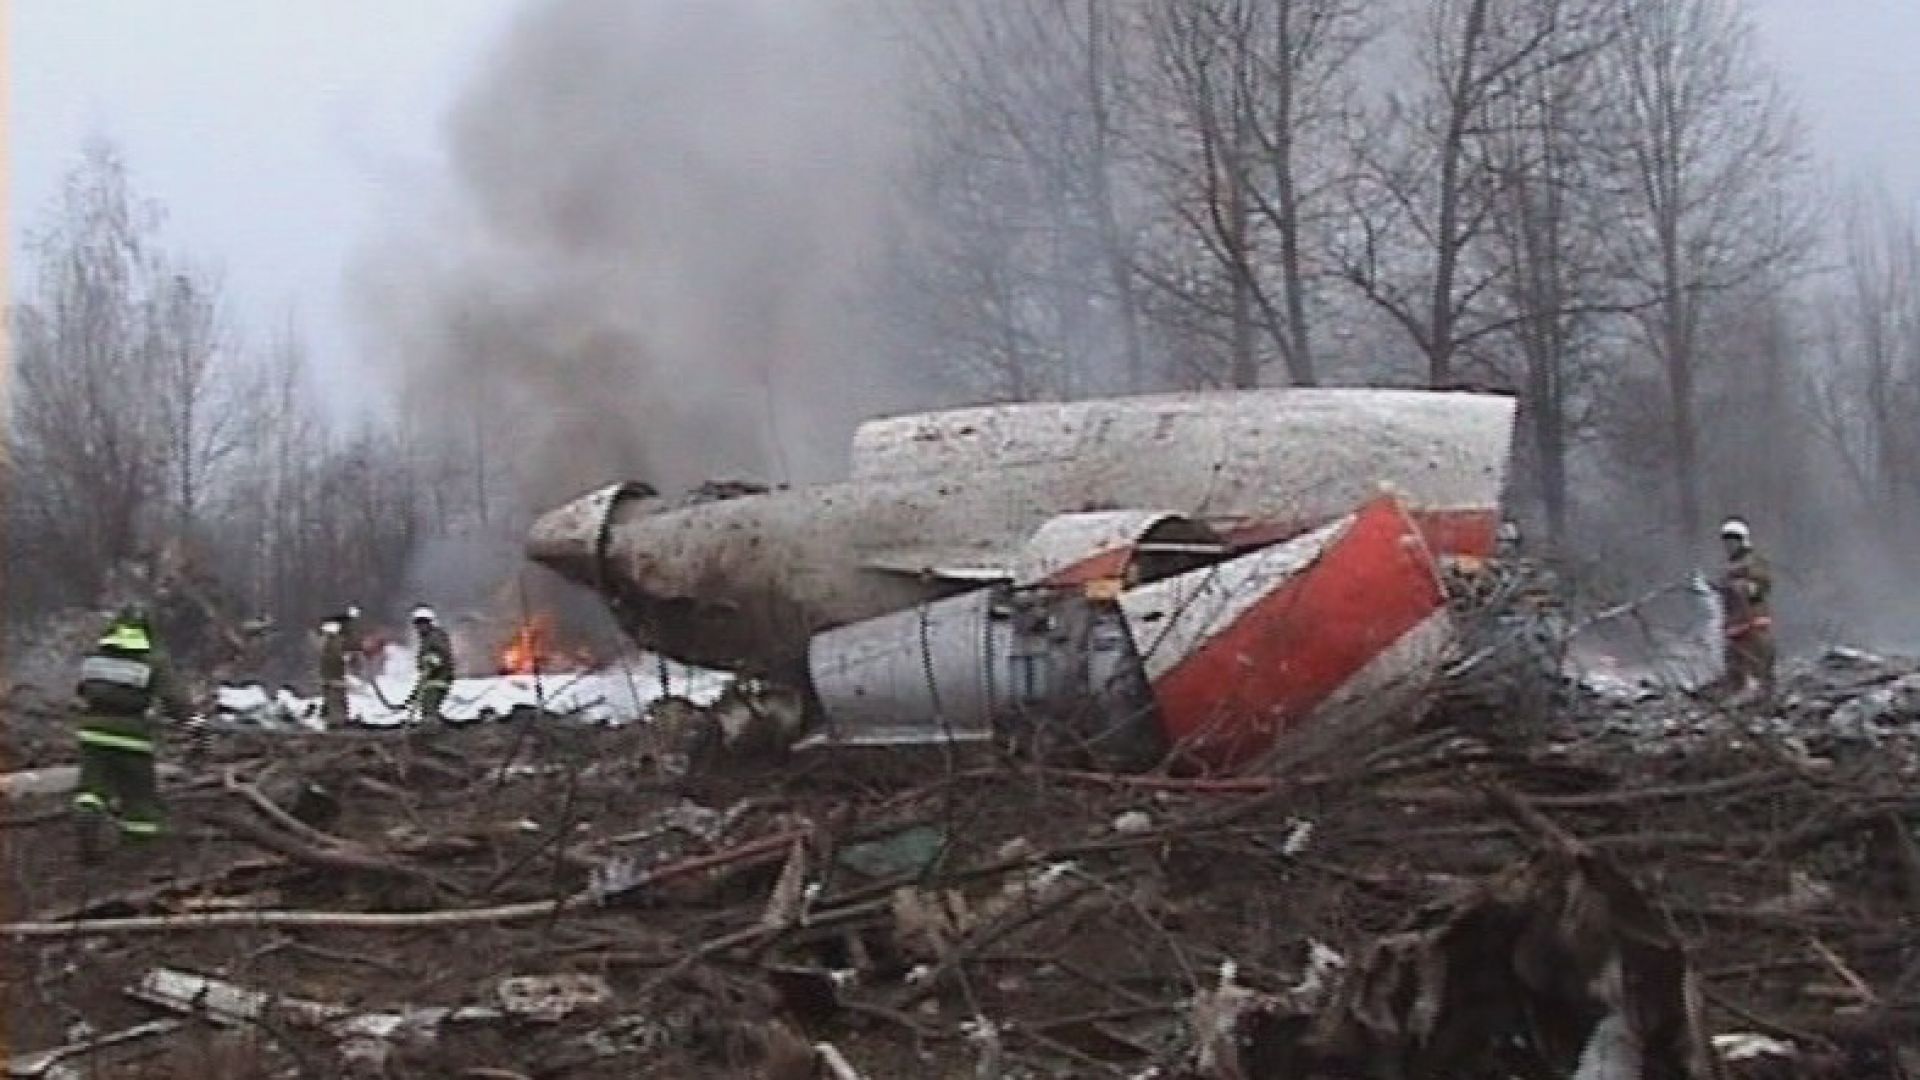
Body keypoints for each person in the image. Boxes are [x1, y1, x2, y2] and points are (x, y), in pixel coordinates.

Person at [72, 605, 196, 853]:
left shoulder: (96, 655)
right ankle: (139, 848)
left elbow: (83, 690)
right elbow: (175, 700)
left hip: (92, 731)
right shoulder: (153, 659)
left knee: (92, 786)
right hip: (132, 735)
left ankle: (88, 811)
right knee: (138, 794)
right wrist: (195, 724)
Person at [1712, 517, 1775, 702]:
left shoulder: (1754, 561)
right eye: (1727, 542)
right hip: (1734, 629)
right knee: (1734, 674)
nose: (1729, 545)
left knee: (1759, 672)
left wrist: (1742, 586)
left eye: (1733, 541)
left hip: (1754, 627)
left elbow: (1761, 585)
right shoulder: (1728, 566)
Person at [406, 606, 455, 724]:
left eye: (423, 623)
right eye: (418, 623)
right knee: (426, 708)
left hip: (438, 679)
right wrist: (414, 693)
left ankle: (432, 734)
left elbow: (443, 653)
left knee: (429, 708)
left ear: (429, 623)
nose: (420, 627)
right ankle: (431, 730)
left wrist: (434, 659)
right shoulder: (426, 639)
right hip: (429, 679)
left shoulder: (436, 635)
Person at [317, 617, 351, 725]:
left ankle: (335, 718)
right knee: (335, 699)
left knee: (336, 699)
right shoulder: (331, 643)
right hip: (333, 678)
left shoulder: (330, 643)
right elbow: (332, 660)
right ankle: (335, 719)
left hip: (333, 678)